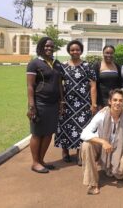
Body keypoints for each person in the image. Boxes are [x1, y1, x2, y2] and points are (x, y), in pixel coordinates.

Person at [80, 89, 123, 195]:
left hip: (117, 149)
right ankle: (92, 183)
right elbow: (84, 134)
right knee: (86, 145)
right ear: (109, 101)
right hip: (101, 147)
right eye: (115, 100)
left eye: (120, 100)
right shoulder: (102, 115)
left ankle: (113, 169)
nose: (117, 103)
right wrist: (102, 142)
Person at [55, 40, 97, 164]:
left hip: (83, 103)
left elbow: (93, 85)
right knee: (65, 127)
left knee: (82, 128)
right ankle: (65, 152)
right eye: (72, 50)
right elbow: (59, 85)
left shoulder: (87, 66)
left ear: (81, 51)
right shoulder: (63, 66)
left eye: (77, 49)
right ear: (69, 51)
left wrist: (93, 104)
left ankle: (80, 154)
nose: (75, 52)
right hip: (67, 103)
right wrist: (61, 101)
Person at [26, 37, 63, 173]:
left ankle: (41, 160)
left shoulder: (56, 63)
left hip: (53, 104)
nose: (49, 48)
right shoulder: (34, 63)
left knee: (48, 133)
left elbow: (59, 84)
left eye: (51, 46)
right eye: (46, 46)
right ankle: (35, 162)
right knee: (37, 133)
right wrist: (32, 106)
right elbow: (30, 86)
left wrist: (61, 101)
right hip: (39, 103)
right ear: (41, 47)